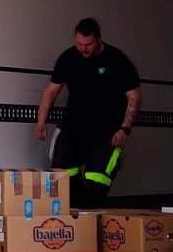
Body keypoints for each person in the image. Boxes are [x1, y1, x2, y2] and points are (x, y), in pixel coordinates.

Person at [35, 17, 141, 206]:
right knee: (62, 180)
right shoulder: (68, 58)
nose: (83, 49)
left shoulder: (117, 60)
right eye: (79, 44)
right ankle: (75, 212)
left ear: (98, 39)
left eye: (88, 44)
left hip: (106, 132)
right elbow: (51, 91)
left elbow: (134, 96)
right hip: (73, 128)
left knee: (96, 186)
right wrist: (41, 122)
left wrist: (125, 128)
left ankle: (90, 210)